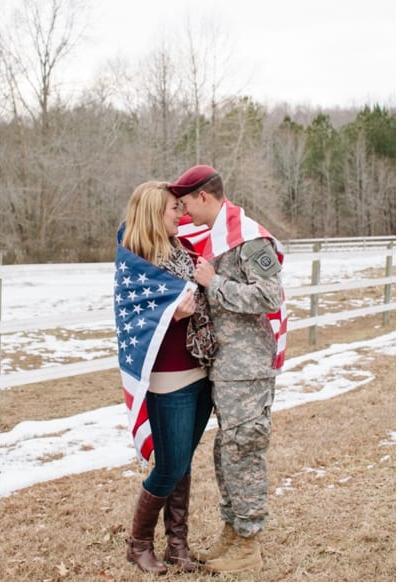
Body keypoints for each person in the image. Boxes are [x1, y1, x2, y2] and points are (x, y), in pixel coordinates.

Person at [168, 164, 284, 574]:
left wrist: (214, 283)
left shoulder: (247, 239)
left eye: (185, 205)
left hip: (248, 368)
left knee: (243, 451)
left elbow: (270, 295)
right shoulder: (220, 238)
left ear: (204, 196)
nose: (184, 215)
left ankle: (248, 545)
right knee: (227, 452)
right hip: (229, 367)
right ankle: (232, 533)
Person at [117, 182, 216, 574]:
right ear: (156, 212)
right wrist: (170, 315)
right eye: (175, 209)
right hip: (167, 378)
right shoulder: (137, 262)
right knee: (169, 466)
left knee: (183, 461)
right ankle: (138, 542)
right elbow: (135, 321)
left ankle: (178, 544)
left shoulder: (187, 252)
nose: (182, 214)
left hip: (201, 370)